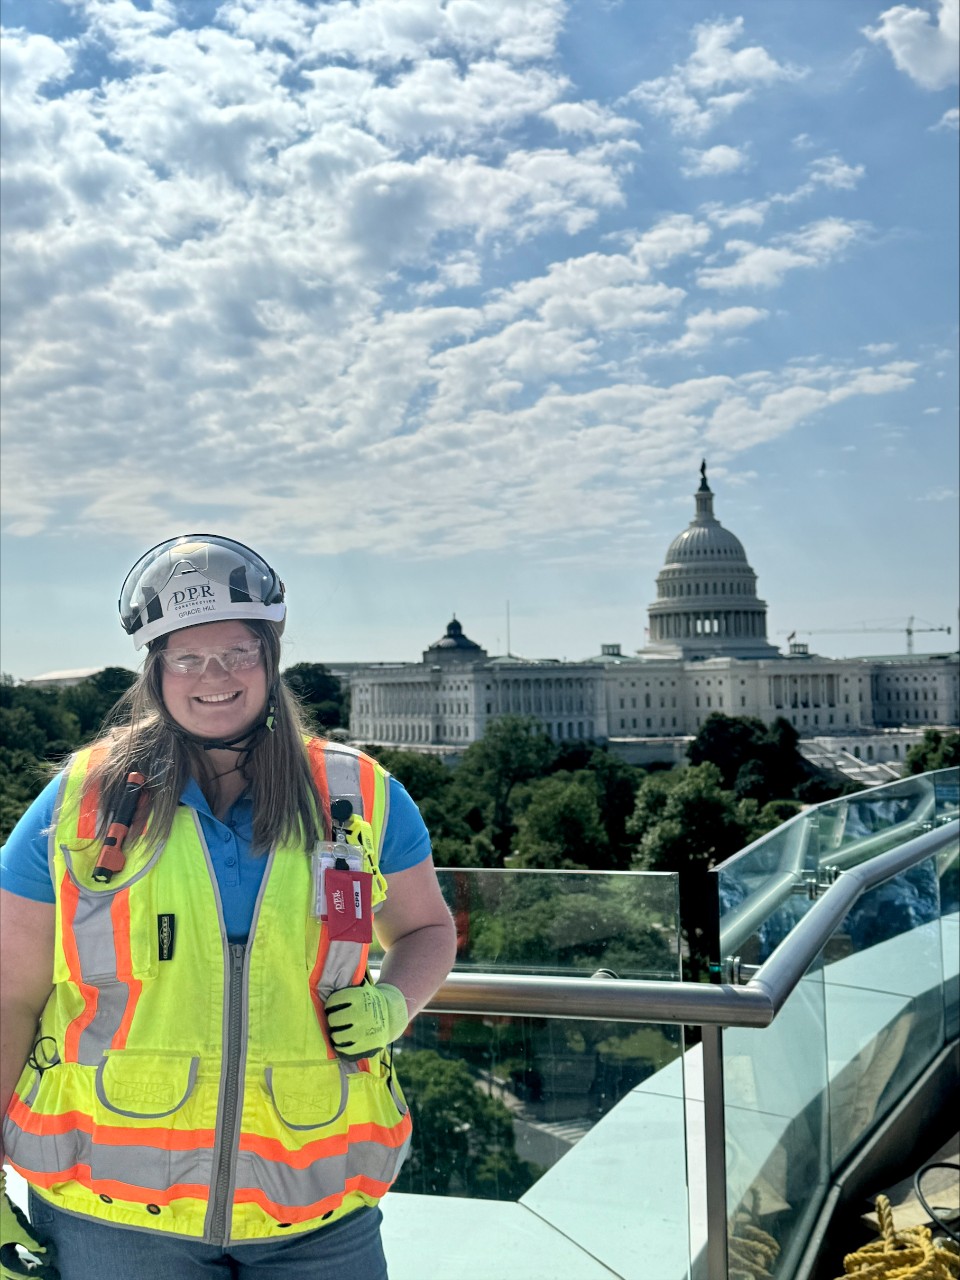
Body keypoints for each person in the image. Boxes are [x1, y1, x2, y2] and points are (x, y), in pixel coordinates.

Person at [0, 534, 457, 1279]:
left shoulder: (361, 795)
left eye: (238, 651)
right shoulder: (76, 804)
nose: (213, 675)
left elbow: (428, 928)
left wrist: (396, 1003)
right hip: (110, 1213)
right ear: (157, 671)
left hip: (320, 1207)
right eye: (186, 657)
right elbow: (9, 997)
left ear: (271, 661)